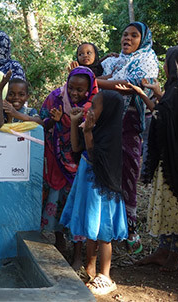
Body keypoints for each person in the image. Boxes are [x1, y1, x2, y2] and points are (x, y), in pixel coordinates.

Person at [122, 46, 178, 272]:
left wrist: (142, 96)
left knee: (174, 206)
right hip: (172, 159)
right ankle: (163, 251)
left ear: (174, 65)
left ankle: (173, 255)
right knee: (168, 204)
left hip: (175, 162)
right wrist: (158, 94)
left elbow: (161, 117)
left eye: (167, 61)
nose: (164, 66)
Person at [97, 21, 160, 252]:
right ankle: (109, 228)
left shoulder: (147, 59)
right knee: (107, 172)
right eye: (125, 34)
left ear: (143, 40)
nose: (127, 39)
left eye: (134, 35)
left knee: (128, 174)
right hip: (107, 123)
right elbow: (96, 68)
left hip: (129, 125)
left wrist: (96, 83)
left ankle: (131, 229)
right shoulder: (116, 60)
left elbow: (129, 85)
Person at [59, 90, 127, 296]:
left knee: (103, 232)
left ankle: (105, 276)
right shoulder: (95, 128)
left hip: (103, 191)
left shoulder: (112, 136)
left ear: (107, 112)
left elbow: (98, 159)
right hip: (89, 187)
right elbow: (77, 149)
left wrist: (88, 132)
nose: (90, 109)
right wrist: (75, 124)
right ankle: (90, 268)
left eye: (95, 107)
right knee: (91, 229)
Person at [39, 67, 99, 270]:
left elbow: (95, 136)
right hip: (56, 157)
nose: (74, 93)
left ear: (89, 89)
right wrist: (54, 121)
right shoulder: (56, 97)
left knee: (76, 205)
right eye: (71, 87)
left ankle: (78, 255)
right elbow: (42, 120)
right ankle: (59, 240)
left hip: (81, 161)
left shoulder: (94, 106)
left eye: (80, 90)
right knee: (56, 199)